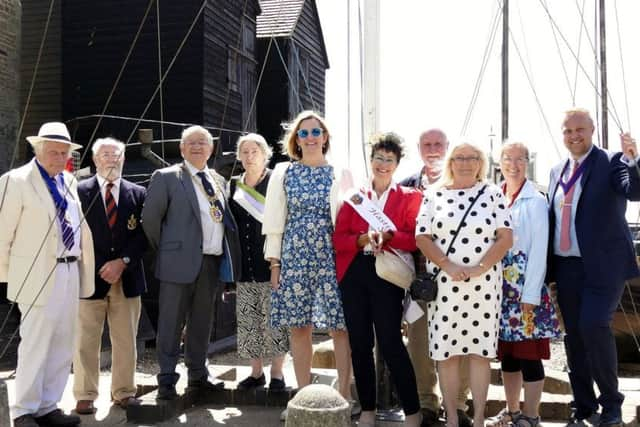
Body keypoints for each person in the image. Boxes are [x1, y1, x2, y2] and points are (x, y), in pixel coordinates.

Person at [547, 109, 640, 427]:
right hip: (566, 266)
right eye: (568, 130)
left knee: (594, 326)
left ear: (592, 130)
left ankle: (611, 404)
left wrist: (632, 159)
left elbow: (635, 191)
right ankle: (583, 406)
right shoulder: (556, 170)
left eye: (580, 129)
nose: (574, 135)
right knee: (573, 336)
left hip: (603, 266)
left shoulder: (613, 161)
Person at [0, 122, 95, 427]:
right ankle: (24, 410)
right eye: (52, 151)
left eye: (63, 152)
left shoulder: (68, 181)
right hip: (36, 271)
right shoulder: (15, 181)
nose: (58, 157)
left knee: (62, 341)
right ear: (37, 150)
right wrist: (6, 276)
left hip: (69, 269)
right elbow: (3, 233)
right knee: (36, 341)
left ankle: (47, 406)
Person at [415, 142, 513, 427]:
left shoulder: (494, 194)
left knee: (480, 353)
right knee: (447, 353)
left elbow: (505, 238)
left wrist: (480, 267)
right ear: (451, 162)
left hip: (484, 286)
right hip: (446, 286)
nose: (466, 163)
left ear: (480, 162)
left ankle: (479, 418)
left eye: (473, 158)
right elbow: (422, 237)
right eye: (460, 158)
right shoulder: (434, 195)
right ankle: (453, 419)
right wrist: (449, 265)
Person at [142, 125, 241, 400]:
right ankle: (166, 380)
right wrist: (168, 250)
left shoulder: (218, 181)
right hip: (177, 263)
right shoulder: (167, 177)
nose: (197, 147)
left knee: (201, 323)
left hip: (211, 263)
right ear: (182, 149)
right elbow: (150, 220)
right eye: (191, 143)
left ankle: (198, 376)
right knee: (171, 322)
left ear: (211, 149)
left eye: (203, 143)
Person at [263, 111, 352, 403]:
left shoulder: (341, 172)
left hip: (332, 255)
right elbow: (275, 220)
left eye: (316, 132)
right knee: (299, 326)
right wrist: (275, 262)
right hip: (294, 254)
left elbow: (352, 219)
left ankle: (343, 396)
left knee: (340, 326)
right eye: (304, 133)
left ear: (325, 137)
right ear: (296, 140)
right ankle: (302, 397)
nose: (311, 138)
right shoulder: (283, 172)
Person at [334, 132, 422, 427]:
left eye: (389, 159)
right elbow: (339, 239)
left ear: (397, 164)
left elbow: (415, 239)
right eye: (379, 158)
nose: (383, 164)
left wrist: (390, 236)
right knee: (359, 343)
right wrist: (362, 239)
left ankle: (412, 411)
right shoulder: (355, 196)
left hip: (389, 275)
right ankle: (368, 410)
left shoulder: (410, 197)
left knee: (391, 342)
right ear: (370, 160)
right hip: (355, 274)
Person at [401, 129, 472, 427]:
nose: (433, 149)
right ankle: (427, 403)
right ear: (419, 149)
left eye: (438, 145)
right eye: (427, 145)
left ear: (447, 148)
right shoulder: (406, 186)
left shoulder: (464, 184)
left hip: (460, 279)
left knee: (463, 343)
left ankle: (457, 403)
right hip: (419, 281)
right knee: (419, 343)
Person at [486, 142, 560, 427]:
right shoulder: (495, 196)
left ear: (527, 162)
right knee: (508, 355)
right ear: (499, 162)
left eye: (520, 159)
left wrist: (531, 293)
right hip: (499, 289)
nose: (513, 165)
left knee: (529, 355)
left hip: (525, 286)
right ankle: (512, 411)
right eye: (508, 159)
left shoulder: (537, 200)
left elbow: (540, 249)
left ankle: (531, 416)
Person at [73, 137, 147, 414]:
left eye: (116, 155)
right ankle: (84, 394)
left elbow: (144, 235)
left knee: (126, 338)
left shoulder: (138, 194)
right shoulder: (78, 192)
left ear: (123, 160)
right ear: (95, 160)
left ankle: (124, 392)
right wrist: (100, 265)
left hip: (126, 278)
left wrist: (122, 262)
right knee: (85, 340)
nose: (110, 159)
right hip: (89, 278)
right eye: (105, 155)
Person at [228, 133, 289, 391]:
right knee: (248, 319)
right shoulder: (233, 185)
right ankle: (256, 373)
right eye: (245, 152)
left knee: (275, 320)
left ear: (266, 154)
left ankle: (276, 373)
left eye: (255, 151)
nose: (250, 156)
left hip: (271, 261)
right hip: (244, 262)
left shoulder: (276, 181)